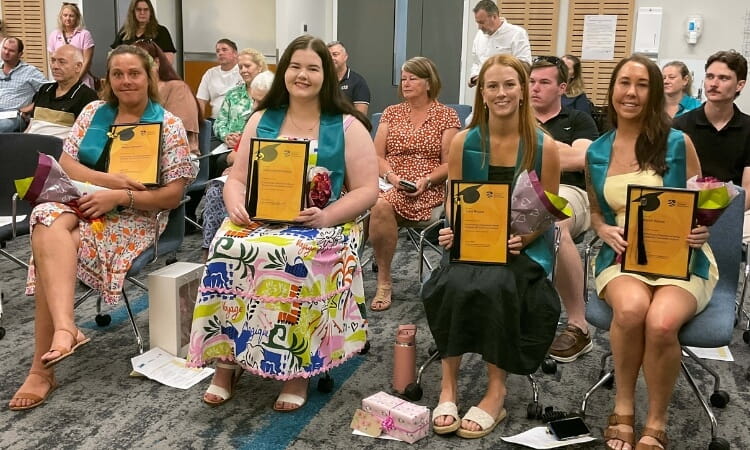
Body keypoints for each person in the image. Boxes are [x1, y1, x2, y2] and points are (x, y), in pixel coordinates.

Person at [187, 35, 378, 412]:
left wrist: (326, 216)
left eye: (312, 67)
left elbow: (367, 191)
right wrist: (235, 204)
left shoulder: (347, 126)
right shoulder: (262, 118)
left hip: (325, 222)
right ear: (283, 71)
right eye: (295, 66)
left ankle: (297, 368)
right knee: (227, 248)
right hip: (263, 218)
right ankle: (227, 362)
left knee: (298, 254)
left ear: (327, 74)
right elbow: (238, 178)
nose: (302, 75)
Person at [8, 45, 195, 411]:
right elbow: (65, 160)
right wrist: (107, 181)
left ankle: (41, 368)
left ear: (149, 77)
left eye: (134, 73)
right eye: (118, 74)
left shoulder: (167, 124)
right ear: (108, 79)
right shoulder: (94, 112)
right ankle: (66, 327)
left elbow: (172, 196)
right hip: (82, 200)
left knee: (49, 240)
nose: (126, 81)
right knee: (47, 215)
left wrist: (119, 197)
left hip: (135, 216)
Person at [424, 54, 561, 439]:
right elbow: (454, 197)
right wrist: (454, 227)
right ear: (481, 93)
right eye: (492, 86)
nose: (501, 93)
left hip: (522, 248)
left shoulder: (543, 146)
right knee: (449, 282)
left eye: (509, 85)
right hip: (472, 241)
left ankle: (496, 390)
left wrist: (525, 236)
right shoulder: (464, 142)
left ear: (523, 90)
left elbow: (548, 210)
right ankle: (447, 385)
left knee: (498, 284)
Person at [586, 54, 715, 450]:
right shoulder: (597, 151)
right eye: (624, 82)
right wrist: (603, 228)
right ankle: (623, 406)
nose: (631, 92)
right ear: (611, 90)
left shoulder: (678, 142)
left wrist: (700, 228)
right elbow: (594, 211)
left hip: (682, 259)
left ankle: (656, 418)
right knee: (630, 310)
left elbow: (706, 198)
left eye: (642, 84)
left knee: (661, 323)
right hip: (622, 257)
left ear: (654, 92)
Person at [368, 56, 460, 311]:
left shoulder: (446, 115)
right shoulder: (391, 112)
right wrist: (392, 178)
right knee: (373, 202)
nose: (406, 83)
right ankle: (374, 277)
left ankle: (383, 282)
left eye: (413, 78)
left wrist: (426, 180)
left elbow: (449, 163)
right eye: (404, 78)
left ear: (429, 83)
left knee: (379, 206)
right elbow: (376, 156)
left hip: (426, 186)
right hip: (390, 180)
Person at [529, 56, 598, 362]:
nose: (535, 88)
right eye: (531, 82)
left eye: (544, 83)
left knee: (554, 222)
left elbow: (580, 160)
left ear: (562, 87)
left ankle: (578, 325)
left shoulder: (579, 119)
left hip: (570, 192)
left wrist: (535, 145)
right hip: (521, 190)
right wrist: (559, 149)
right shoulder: (515, 117)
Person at [673, 50, 750, 243]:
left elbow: (748, 190)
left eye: (723, 78)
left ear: (740, 84)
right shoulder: (680, 126)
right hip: (686, 209)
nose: (713, 84)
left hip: (734, 210)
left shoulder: (749, 129)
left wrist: (718, 218)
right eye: (710, 76)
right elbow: (673, 181)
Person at [201, 62, 273, 261]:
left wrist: (241, 164)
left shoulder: (281, 121)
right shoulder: (254, 120)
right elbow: (233, 155)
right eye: (254, 101)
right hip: (244, 175)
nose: (255, 106)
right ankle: (211, 254)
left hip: (270, 179)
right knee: (215, 190)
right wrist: (238, 166)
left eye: (260, 102)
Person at [133, 39, 200, 157]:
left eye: (143, 61)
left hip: (179, 154)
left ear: (156, 62)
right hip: (137, 153)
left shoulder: (177, 88)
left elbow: (178, 132)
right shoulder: (131, 91)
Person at [25, 45, 98, 139]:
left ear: (78, 67)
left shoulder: (87, 96)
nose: (55, 66)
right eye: (53, 61)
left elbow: (84, 137)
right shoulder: (44, 89)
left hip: (58, 150)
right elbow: (31, 125)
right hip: (31, 145)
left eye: (62, 62)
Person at [468, 0, 531, 88]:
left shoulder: (517, 34)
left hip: (508, 89)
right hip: (484, 90)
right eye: (477, 22)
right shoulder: (479, 36)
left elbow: (525, 65)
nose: (479, 27)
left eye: (482, 22)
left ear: (494, 16)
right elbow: (476, 62)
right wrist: (473, 77)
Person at [0, 37, 47, 132]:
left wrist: (29, 108)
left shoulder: (30, 71)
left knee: (3, 126)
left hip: (13, 115)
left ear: (20, 54)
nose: (6, 52)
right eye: (4, 48)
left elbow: (49, 92)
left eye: (11, 50)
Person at [47, 2, 96, 89]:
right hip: (60, 82)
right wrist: (58, 77)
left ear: (77, 17)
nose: (68, 18)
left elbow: (87, 61)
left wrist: (75, 81)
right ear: (61, 17)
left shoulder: (84, 34)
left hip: (81, 80)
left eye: (71, 16)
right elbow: (52, 60)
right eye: (65, 15)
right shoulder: (54, 35)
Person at [111, 0, 176, 64]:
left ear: (151, 12)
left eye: (146, 9)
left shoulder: (161, 31)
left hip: (153, 73)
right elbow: (113, 55)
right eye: (139, 9)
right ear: (133, 12)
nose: (142, 12)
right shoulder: (124, 31)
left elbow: (169, 58)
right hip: (128, 71)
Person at [196, 38, 242, 121]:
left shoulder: (243, 71)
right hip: (215, 120)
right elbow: (201, 100)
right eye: (218, 51)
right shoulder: (210, 73)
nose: (220, 53)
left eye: (224, 50)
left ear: (235, 53)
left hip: (239, 121)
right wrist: (198, 122)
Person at [327, 40, 371, 115]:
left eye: (335, 54)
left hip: (348, 125)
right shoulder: (321, 80)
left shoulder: (358, 82)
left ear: (345, 57)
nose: (331, 58)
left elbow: (360, 117)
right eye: (328, 55)